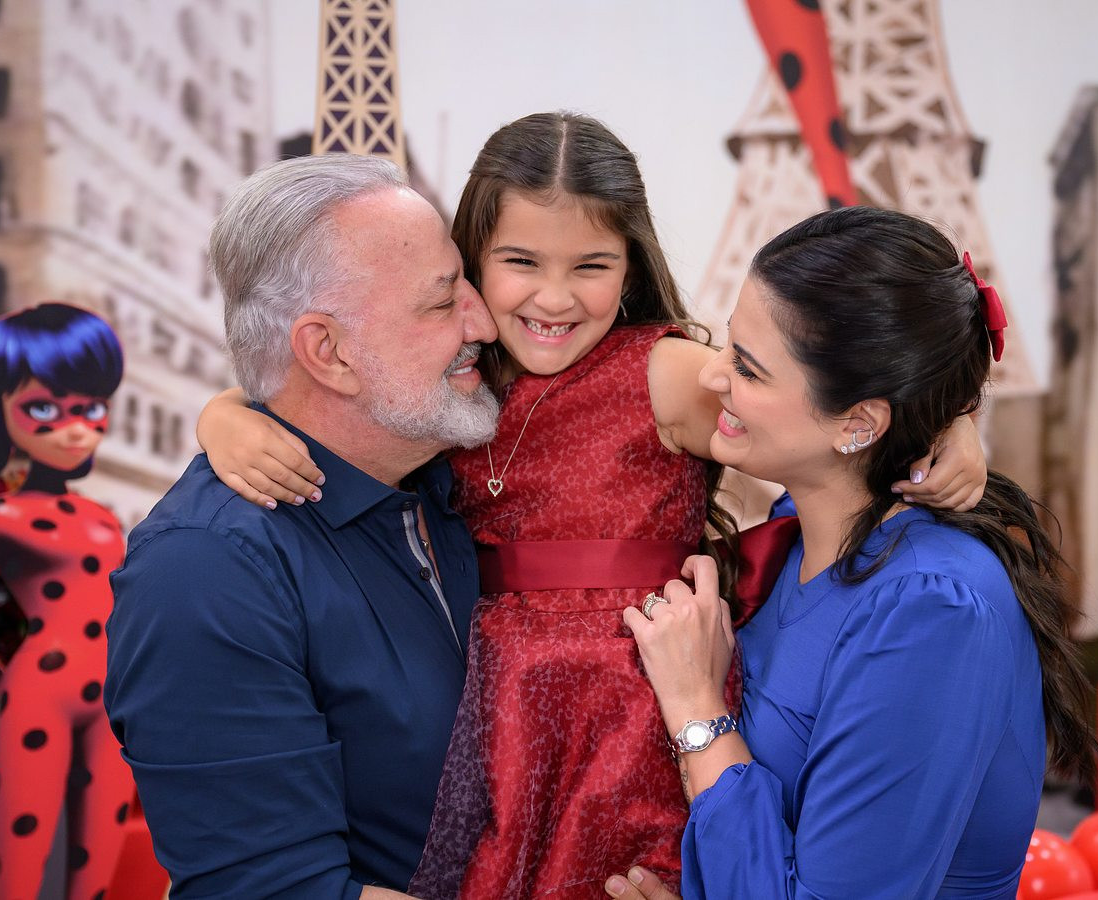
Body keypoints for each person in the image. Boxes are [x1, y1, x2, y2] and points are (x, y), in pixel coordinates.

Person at [199, 114, 988, 897]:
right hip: (501, 709)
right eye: (520, 261)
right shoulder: (454, 382)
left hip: (631, 701)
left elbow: (802, 405)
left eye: (591, 266)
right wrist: (226, 414)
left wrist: (950, 422)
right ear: (471, 262)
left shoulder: (660, 372)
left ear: (629, 266)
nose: (554, 296)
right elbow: (319, 385)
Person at [612, 207, 1098, 899]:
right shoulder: (802, 530)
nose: (713, 376)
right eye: (728, 344)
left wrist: (695, 709)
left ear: (859, 423)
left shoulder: (931, 610)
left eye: (748, 368)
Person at [104, 154, 502, 897]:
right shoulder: (204, 572)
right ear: (328, 352)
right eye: (443, 300)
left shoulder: (457, 473)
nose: (483, 320)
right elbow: (279, 890)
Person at [0, 303, 131, 900]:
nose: (76, 429)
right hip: (39, 695)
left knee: (98, 858)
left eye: (91, 408)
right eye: (45, 410)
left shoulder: (103, 518)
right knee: (25, 865)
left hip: (112, 701)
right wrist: (18, 687)